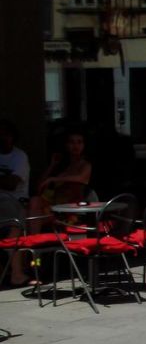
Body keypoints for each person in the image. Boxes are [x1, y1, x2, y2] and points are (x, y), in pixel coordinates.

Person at [27, 127, 92, 230]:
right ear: (66, 145)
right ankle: (32, 241)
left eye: (79, 142)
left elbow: (81, 178)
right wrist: (52, 166)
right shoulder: (63, 166)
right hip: (53, 206)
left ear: (84, 145)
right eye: (72, 142)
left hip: (69, 210)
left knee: (29, 217)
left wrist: (54, 179)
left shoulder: (85, 165)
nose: (76, 146)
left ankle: (32, 240)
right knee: (34, 202)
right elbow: (39, 186)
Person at [0, 120, 31, 286]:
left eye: (6, 134)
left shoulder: (19, 157)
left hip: (15, 201)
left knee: (13, 225)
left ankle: (17, 274)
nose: (2, 137)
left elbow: (11, 184)